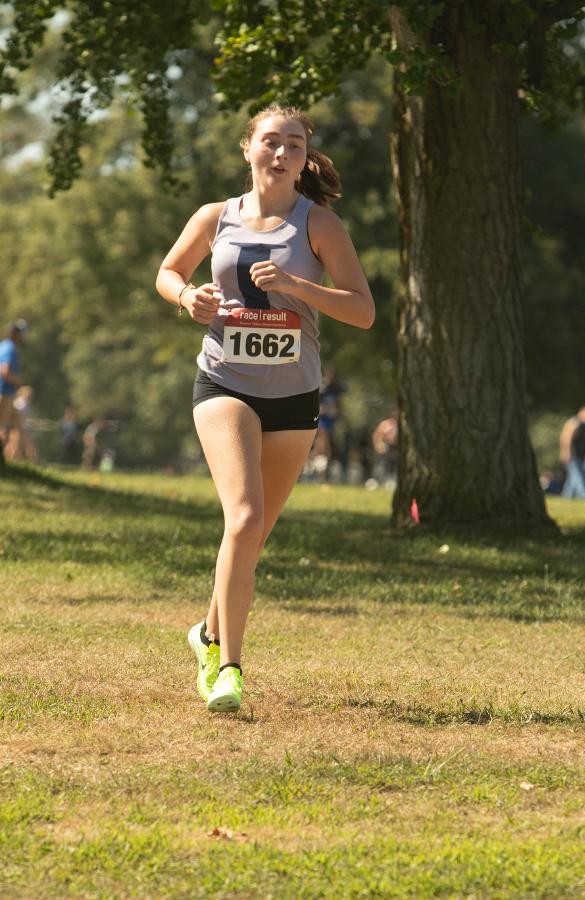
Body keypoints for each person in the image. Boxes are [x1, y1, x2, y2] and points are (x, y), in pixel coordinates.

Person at [156, 104, 375, 713]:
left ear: (305, 159)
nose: (282, 153)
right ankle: (227, 668)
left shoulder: (319, 225)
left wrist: (298, 286)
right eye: (272, 141)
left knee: (251, 535)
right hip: (224, 382)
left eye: (295, 145)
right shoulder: (215, 216)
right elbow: (169, 271)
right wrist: (188, 297)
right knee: (245, 519)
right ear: (248, 147)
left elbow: (362, 311)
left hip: (295, 396)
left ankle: (207, 631)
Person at [0, 320, 27, 463]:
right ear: (16, 334)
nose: (24, 336)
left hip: (9, 394)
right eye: (22, 333)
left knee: (18, 426)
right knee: (2, 426)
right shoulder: (9, 348)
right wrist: (18, 380)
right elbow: (4, 371)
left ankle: (13, 459)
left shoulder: (4, 346)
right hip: (4, 393)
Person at [560, 404, 585, 499]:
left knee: (572, 478)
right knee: (578, 477)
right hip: (573, 456)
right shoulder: (575, 423)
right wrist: (566, 452)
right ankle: (583, 496)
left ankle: (567, 497)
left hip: (581, 456)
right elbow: (566, 439)